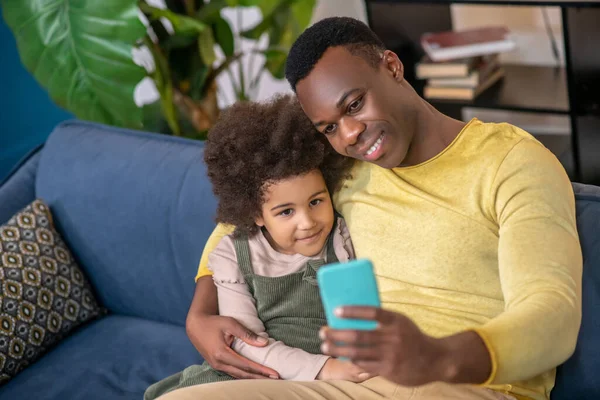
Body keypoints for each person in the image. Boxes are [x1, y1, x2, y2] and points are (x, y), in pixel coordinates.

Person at [164, 17, 582, 400]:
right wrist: (201, 313)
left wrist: (437, 357)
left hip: (468, 387)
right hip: (351, 381)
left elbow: (553, 316)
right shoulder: (342, 166)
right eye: (328, 127)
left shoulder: (511, 162)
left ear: (393, 67)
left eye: (354, 105)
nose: (349, 135)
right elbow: (252, 215)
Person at [145, 94, 368, 399]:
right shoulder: (231, 255)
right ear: (255, 214)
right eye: (286, 211)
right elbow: (246, 342)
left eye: (316, 202)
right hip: (258, 371)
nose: (308, 222)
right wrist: (324, 367)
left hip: (329, 378)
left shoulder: (340, 235)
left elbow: (359, 317)